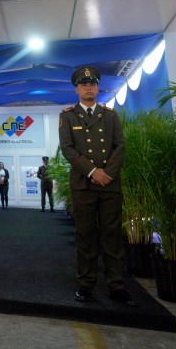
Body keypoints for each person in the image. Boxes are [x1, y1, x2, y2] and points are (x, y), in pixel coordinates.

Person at [58, 65, 137, 307]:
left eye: (92, 83)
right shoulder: (68, 116)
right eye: (83, 84)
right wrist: (93, 172)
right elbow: (68, 149)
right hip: (83, 185)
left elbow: (119, 147)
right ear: (76, 89)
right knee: (86, 235)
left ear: (98, 87)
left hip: (109, 185)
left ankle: (116, 286)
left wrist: (106, 174)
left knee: (112, 235)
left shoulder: (110, 114)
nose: (88, 87)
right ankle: (86, 283)